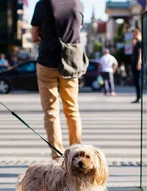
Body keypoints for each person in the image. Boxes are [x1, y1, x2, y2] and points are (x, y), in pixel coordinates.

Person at [31, 0, 85, 160]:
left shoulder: (42, 4)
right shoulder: (78, 4)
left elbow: (34, 36)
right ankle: (77, 155)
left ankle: (57, 157)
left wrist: (44, 34)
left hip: (47, 61)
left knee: (51, 113)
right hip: (70, 62)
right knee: (72, 110)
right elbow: (77, 29)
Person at [131, 29, 142, 103]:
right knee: (136, 81)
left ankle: (139, 97)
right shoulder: (135, 42)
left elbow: (140, 53)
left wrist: (139, 62)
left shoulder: (139, 42)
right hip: (133, 63)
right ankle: (138, 97)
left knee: (138, 81)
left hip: (137, 63)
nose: (134, 35)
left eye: (135, 34)